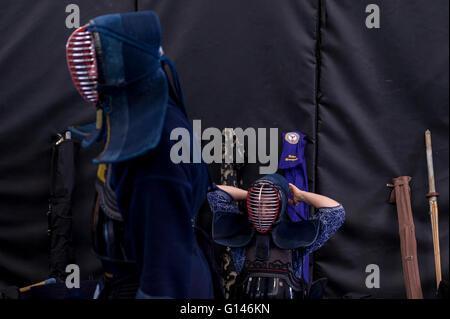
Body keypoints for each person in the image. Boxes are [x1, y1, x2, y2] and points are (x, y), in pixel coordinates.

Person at [66, 11, 218, 299]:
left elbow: (165, 254)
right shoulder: (146, 119)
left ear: (129, 64)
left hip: (154, 284)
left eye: (98, 57)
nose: (88, 70)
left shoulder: (155, 143)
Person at [207, 173, 345, 299]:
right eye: (258, 204)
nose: (262, 210)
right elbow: (214, 192)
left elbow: (335, 212)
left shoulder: (296, 237)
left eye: (269, 205)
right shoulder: (238, 232)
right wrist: (251, 194)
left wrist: (301, 195)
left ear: (281, 204)